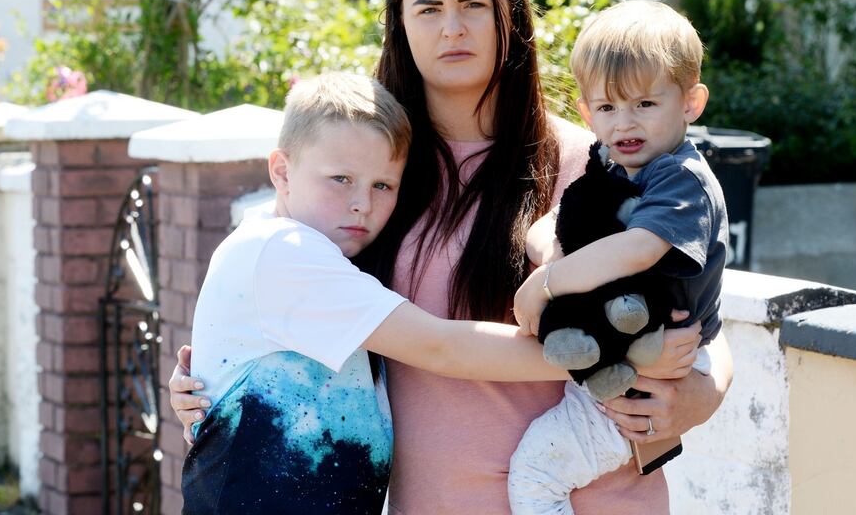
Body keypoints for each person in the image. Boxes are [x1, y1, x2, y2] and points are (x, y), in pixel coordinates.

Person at [171, 0, 734, 513]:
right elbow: (281, 296)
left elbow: (700, 304)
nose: (453, 29)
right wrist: (216, 388)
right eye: (429, 8)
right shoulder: (370, 172)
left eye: (474, 4)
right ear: (400, 21)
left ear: (508, 12)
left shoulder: (598, 161)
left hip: (589, 499)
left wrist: (699, 393)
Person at [184, 71, 591, 515]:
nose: (362, 203)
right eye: (340, 179)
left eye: (383, 185)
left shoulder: (304, 250)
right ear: (282, 171)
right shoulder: (284, 253)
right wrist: (599, 357)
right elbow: (440, 346)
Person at [506, 0, 728, 515]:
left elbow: (640, 246)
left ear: (691, 103)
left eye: (645, 105)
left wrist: (547, 285)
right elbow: (548, 226)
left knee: (536, 472)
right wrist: (556, 257)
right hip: (626, 349)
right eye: (607, 108)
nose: (625, 123)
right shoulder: (614, 166)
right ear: (586, 113)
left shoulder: (681, 178)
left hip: (655, 369)